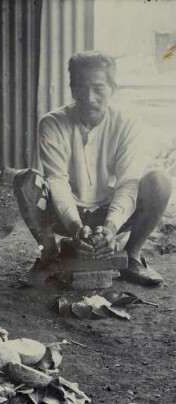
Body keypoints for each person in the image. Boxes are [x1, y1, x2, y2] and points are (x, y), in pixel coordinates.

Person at [14, 50, 173, 286]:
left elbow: (128, 182)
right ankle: (50, 256)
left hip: (111, 214)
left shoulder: (128, 124)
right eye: (80, 87)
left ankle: (131, 256)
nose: (89, 97)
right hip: (66, 215)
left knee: (160, 181)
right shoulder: (52, 123)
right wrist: (75, 226)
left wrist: (110, 226)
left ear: (113, 88)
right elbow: (56, 182)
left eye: (99, 88)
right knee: (25, 180)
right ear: (71, 88)